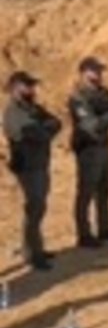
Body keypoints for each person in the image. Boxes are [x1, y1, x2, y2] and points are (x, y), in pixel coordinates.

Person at [4, 71, 60, 271]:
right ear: (15, 87)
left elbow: (55, 123)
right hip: (27, 167)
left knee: (39, 208)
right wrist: (44, 130)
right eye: (27, 86)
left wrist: (44, 129)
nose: (31, 89)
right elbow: (35, 133)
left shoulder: (32, 108)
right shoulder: (13, 113)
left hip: (39, 163)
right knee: (34, 209)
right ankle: (31, 253)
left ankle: (37, 248)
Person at [69, 56, 108, 247]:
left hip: (104, 145)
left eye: (100, 71)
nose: (99, 75)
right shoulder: (78, 96)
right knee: (85, 192)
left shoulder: (104, 93)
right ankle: (84, 233)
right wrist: (107, 117)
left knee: (104, 188)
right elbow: (91, 124)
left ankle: (105, 227)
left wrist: (106, 118)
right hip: (88, 148)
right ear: (84, 72)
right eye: (95, 71)